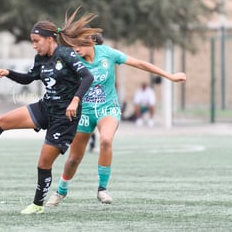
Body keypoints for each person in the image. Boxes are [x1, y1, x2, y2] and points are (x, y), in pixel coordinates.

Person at [0, 7, 101, 214]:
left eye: (37, 41)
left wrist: (75, 101)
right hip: (46, 107)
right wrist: (8, 73)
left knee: (43, 163)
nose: (34, 45)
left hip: (65, 117)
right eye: (33, 41)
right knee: (2, 121)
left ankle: (38, 205)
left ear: (49, 39)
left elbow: (87, 77)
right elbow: (29, 78)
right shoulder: (41, 59)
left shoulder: (65, 54)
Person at [46, 33, 186, 206]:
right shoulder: (73, 60)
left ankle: (102, 189)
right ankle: (61, 191)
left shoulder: (108, 54)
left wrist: (169, 76)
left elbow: (140, 63)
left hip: (108, 107)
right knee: (74, 158)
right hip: (84, 111)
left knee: (106, 140)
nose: (75, 50)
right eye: (72, 46)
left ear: (90, 41)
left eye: (78, 46)